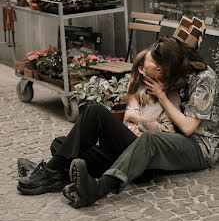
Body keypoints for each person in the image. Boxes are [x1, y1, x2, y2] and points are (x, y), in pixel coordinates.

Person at [60, 36, 219, 209]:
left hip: (200, 146)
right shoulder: (174, 67)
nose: (160, 72)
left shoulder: (204, 78)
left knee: (150, 139)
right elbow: (136, 81)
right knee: (61, 142)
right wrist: (134, 108)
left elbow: (188, 128)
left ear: (173, 64)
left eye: (162, 68)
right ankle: (58, 172)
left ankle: (99, 187)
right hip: (168, 138)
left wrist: (161, 96)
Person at [17, 46, 180, 195]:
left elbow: (168, 136)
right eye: (155, 61)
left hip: (142, 162)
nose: (159, 65)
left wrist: (138, 118)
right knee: (60, 143)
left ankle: (49, 172)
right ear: (142, 70)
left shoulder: (169, 95)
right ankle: (59, 176)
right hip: (119, 157)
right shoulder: (136, 92)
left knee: (96, 111)